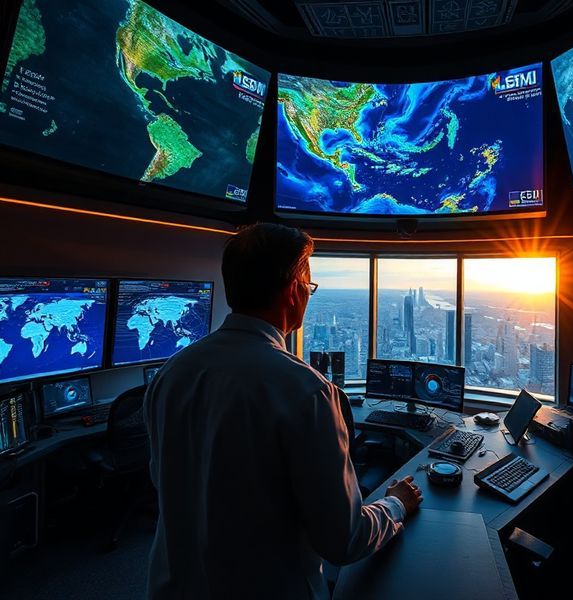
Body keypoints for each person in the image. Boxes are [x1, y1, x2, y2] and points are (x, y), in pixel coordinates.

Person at [144, 223, 422, 599]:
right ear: (294, 291)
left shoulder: (171, 374)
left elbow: (167, 484)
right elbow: (344, 539)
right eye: (309, 286)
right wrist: (395, 505)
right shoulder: (308, 393)